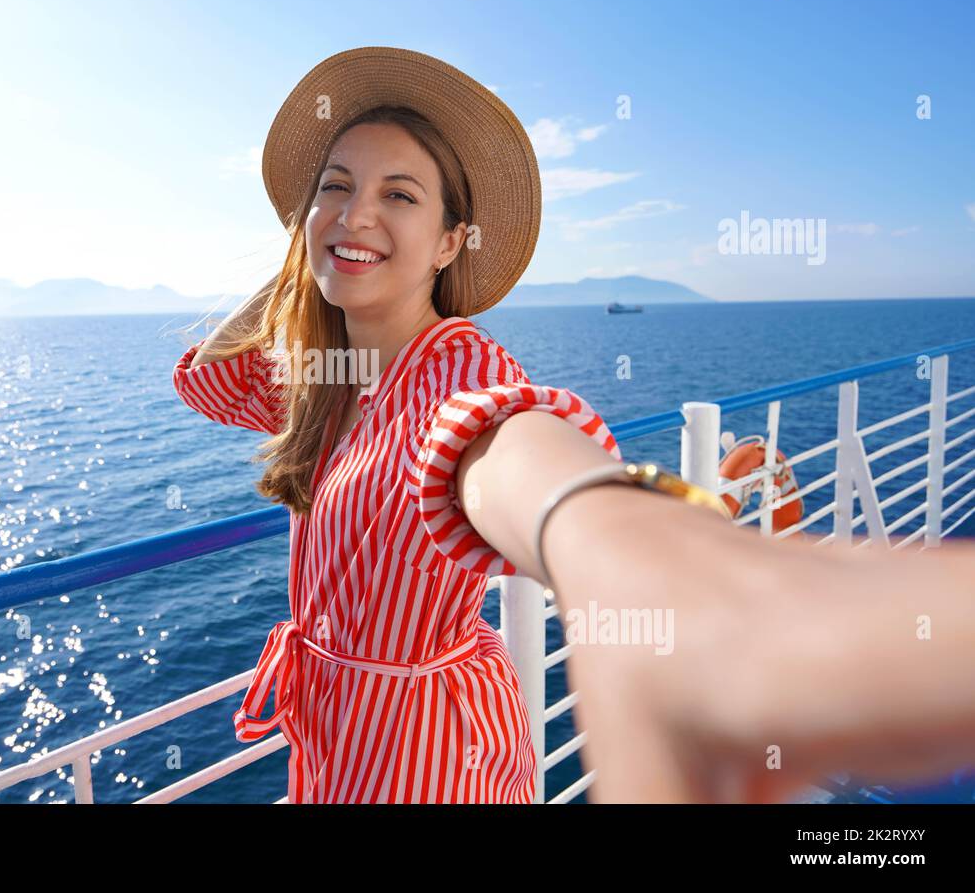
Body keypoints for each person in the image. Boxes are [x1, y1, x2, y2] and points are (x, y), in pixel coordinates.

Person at [172, 46, 975, 803]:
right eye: (336, 187)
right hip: (332, 743)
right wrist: (305, 251)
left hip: (428, 758)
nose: (357, 214)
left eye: (399, 195)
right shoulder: (325, 380)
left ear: (451, 242)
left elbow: (503, 443)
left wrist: (643, 562)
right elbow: (204, 378)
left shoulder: (459, 370)